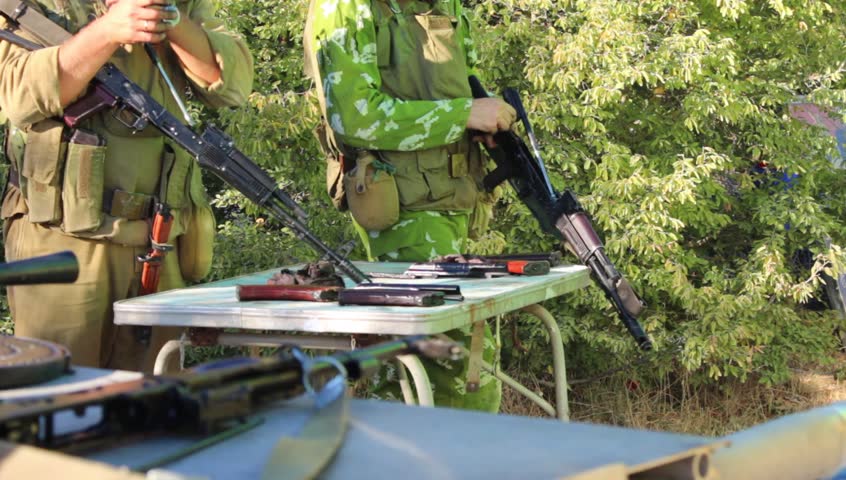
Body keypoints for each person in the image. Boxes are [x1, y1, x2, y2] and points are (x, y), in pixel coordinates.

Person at [0, 0, 253, 372]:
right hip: (62, 240)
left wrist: (170, 19)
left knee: (154, 403)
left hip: (159, 237)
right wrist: (107, 31)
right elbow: (18, 95)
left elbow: (232, 85)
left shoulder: (179, 5)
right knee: (60, 397)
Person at [306, 0, 517, 411]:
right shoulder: (346, 7)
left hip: (453, 201)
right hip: (402, 209)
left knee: (448, 359)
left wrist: (484, 122)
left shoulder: (443, 5)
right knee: (455, 362)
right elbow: (353, 115)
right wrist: (464, 114)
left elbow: (457, 85)